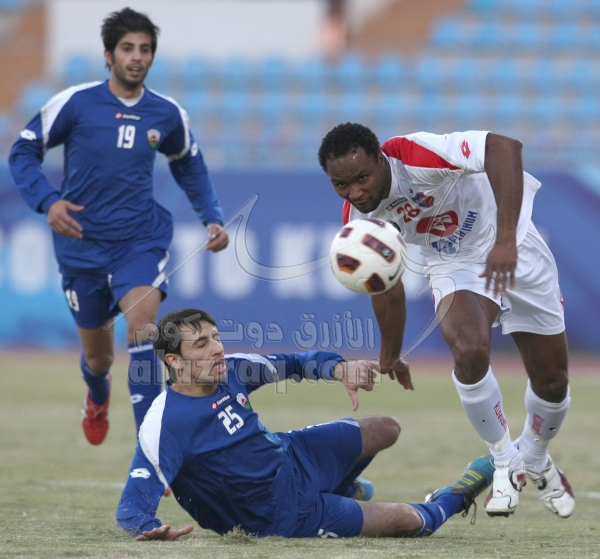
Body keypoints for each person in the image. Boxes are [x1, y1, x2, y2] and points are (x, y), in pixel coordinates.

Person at [318, 123, 574, 519]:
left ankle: (536, 455)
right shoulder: (361, 222)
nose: (355, 193)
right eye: (341, 185)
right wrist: (390, 354)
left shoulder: (416, 155)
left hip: (514, 242)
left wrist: (505, 240)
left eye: (361, 178)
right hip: (454, 263)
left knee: (553, 381)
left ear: (381, 161)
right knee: (468, 351)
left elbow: (505, 148)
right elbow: (386, 287)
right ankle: (505, 460)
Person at [8, 8, 229, 446]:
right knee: (98, 358)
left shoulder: (166, 113)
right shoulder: (76, 103)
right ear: (109, 55)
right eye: (128, 48)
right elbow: (22, 151)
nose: (137, 57)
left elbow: (189, 165)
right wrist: (48, 202)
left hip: (139, 242)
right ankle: (97, 393)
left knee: (144, 330)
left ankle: (153, 446)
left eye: (145, 49)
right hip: (82, 247)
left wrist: (213, 217)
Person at [116, 308, 494, 540]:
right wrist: (147, 528)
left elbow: (295, 362)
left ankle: (341, 487)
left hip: (295, 456)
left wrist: (339, 368)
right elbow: (132, 507)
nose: (217, 348)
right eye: (201, 344)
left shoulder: (233, 369)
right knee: (409, 520)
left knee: (387, 428)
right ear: (174, 362)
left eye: (216, 337)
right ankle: (454, 497)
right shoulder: (164, 424)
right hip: (279, 515)